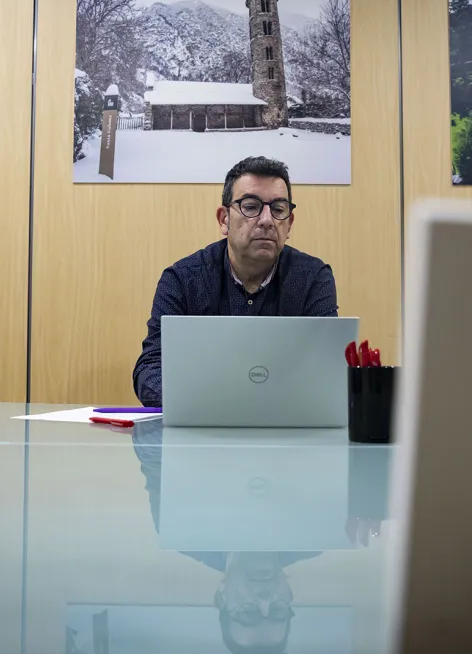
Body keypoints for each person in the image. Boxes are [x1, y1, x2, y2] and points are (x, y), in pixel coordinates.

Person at [133, 156, 339, 407]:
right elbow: (151, 367)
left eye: (278, 209)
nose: (266, 220)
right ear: (224, 220)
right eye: (251, 207)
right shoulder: (183, 279)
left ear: (289, 223)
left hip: (286, 433)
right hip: (202, 430)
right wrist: (202, 406)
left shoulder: (312, 278)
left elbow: (328, 369)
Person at [131, 419, 315, 653]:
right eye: (278, 611)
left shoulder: (179, 531)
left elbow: (149, 442)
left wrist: (213, 411)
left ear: (222, 598)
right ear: (289, 596)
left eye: (249, 613)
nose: (265, 600)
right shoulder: (320, 534)